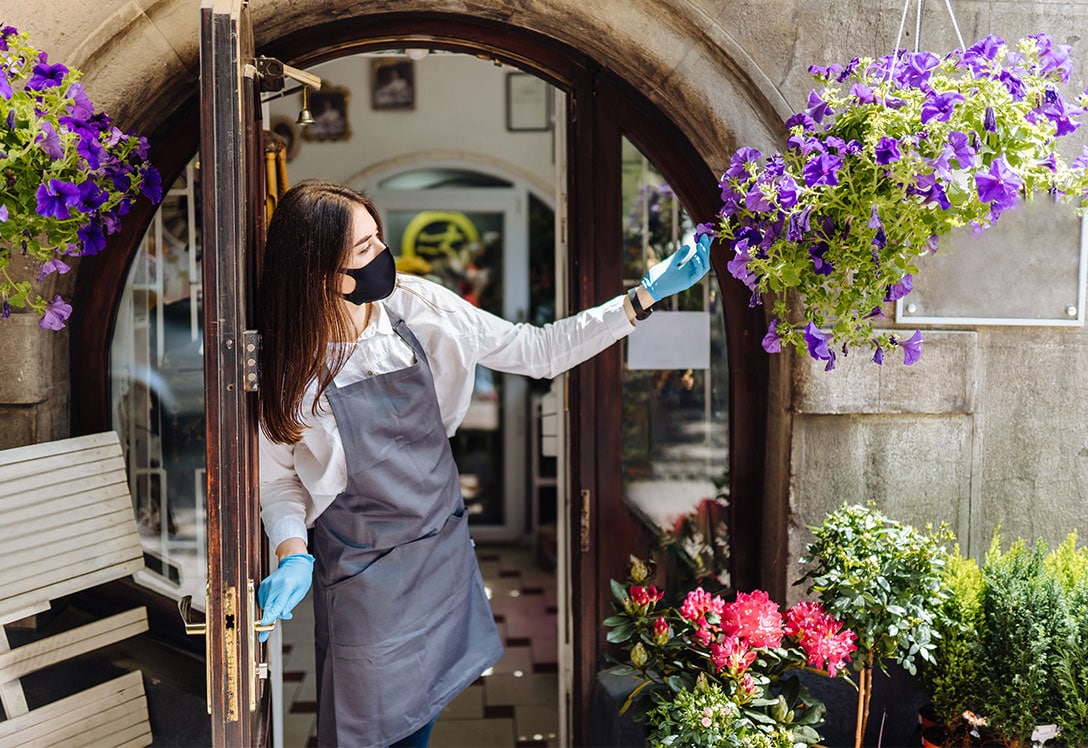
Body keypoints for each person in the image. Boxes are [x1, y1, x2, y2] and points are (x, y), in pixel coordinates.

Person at [255, 179, 711, 748]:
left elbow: (539, 350)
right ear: (318, 271)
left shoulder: (420, 309)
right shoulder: (286, 366)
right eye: (364, 250)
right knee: (365, 732)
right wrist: (292, 552)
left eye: (379, 239)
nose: (383, 257)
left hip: (439, 555)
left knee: (420, 724)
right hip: (363, 583)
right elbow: (277, 480)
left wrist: (640, 300)